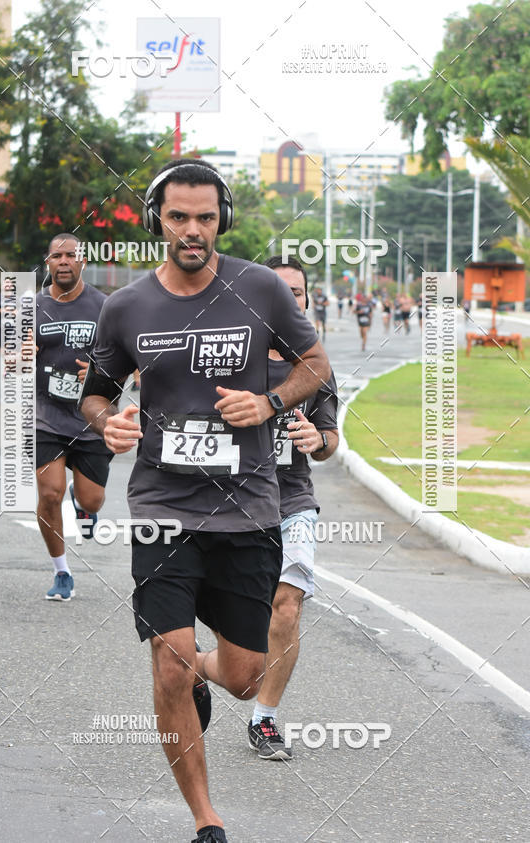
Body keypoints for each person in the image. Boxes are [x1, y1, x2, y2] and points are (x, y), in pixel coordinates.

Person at [81, 158, 330, 843]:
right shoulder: (126, 306)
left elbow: (316, 364)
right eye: (179, 216)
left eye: (206, 217)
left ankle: (203, 674)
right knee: (168, 658)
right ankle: (206, 819)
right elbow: (97, 390)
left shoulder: (259, 289)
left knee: (246, 679)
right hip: (163, 507)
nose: (193, 230)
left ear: (223, 219)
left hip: (248, 510)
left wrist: (270, 400)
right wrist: (110, 421)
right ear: (156, 218)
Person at [246, 255, 339, 760]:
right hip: (230, 502)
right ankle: (205, 666)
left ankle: (265, 720)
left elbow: (331, 442)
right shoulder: (234, 358)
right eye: (279, 292)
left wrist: (314, 438)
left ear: (305, 301)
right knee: (236, 624)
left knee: (287, 604)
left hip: (292, 500)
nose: (289, 300)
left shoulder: (315, 363)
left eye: (297, 293)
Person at [35, 232, 112, 601]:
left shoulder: (103, 306)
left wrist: (99, 375)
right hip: (45, 417)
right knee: (49, 494)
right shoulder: (31, 307)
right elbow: (12, 362)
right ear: (47, 263)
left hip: (90, 418)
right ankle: (61, 571)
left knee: (92, 499)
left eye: (71, 255)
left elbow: (124, 361)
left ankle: (84, 507)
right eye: (56, 256)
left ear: (82, 261)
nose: (63, 261)